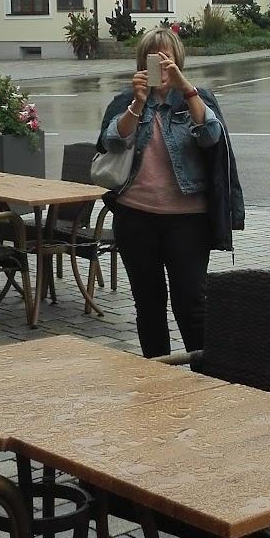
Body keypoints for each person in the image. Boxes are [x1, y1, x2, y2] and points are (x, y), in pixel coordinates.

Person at [97, 27, 244, 357]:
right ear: (142, 63)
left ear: (178, 60)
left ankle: (204, 377)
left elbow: (211, 136)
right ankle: (159, 377)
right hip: (135, 218)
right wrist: (137, 104)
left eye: (166, 58)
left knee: (191, 305)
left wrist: (186, 89)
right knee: (148, 307)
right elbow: (112, 142)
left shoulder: (197, 98)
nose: (160, 66)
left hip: (188, 221)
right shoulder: (126, 100)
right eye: (153, 59)